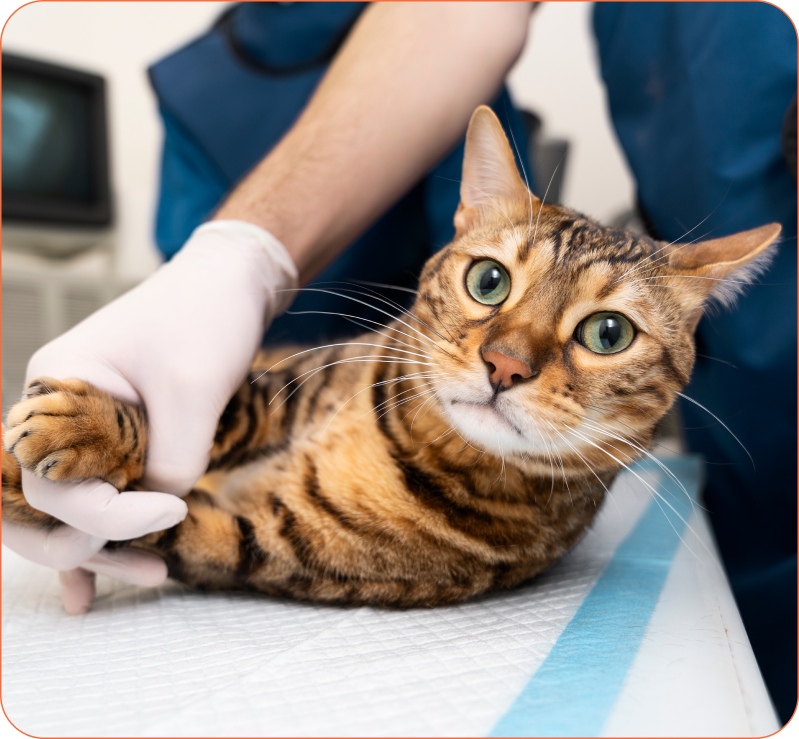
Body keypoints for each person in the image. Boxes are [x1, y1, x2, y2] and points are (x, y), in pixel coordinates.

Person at [4, 0, 795, 721]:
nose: (509, 359)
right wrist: (237, 257)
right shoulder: (396, 363)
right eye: (490, 282)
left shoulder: (480, 533)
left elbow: (234, 543)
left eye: (606, 332)